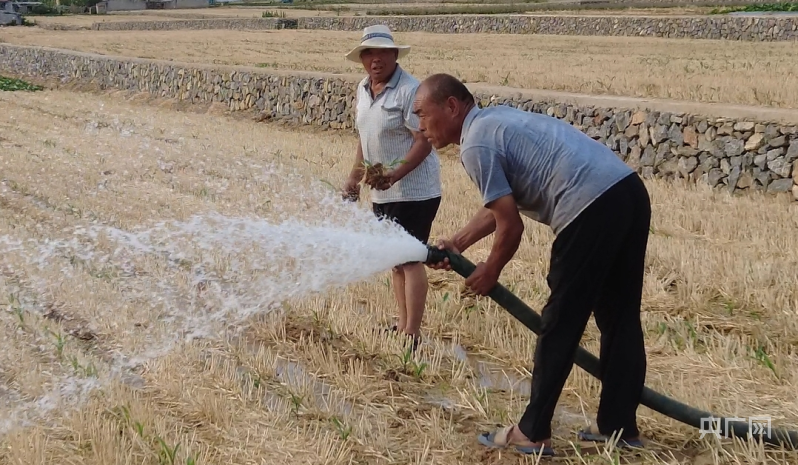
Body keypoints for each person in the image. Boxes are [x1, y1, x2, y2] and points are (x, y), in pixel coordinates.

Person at [414, 73, 650, 456]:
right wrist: (457, 243)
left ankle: (532, 431)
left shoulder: (474, 144)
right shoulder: (494, 123)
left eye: (422, 114)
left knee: (560, 323)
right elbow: (501, 206)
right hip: (627, 191)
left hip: (588, 206)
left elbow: (511, 224)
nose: (420, 126)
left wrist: (490, 270)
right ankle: (618, 427)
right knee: (620, 318)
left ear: (451, 107)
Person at [341, 25, 442, 348]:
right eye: (368, 53)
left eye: (382, 52)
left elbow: (423, 141)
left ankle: (412, 333)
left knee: (410, 258)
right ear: (361, 59)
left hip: (414, 192)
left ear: (395, 54)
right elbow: (365, 139)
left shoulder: (409, 90)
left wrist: (394, 174)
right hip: (382, 190)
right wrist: (354, 178)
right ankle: (401, 325)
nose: (375, 59)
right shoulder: (363, 89)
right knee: (394, 260)